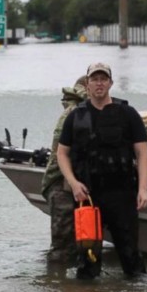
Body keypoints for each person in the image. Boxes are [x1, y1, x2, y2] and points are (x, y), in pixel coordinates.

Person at [57, 62, 147, 279]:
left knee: (131, 258)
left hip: (122, 194)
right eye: (94, 79)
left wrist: (143, 189)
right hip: (87, 196)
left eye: (103, 79)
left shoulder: (128, 114)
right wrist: (73, 183)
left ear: (110, 83)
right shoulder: (75, 116)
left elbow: (142, 153)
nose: (99, 83)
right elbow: (62, 154)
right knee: (88, 258)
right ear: (87, 84)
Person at [41, 76, 87, 264]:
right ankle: (57, 286)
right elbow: (63, 154)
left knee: (82, 243)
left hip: (76, 184)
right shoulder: (73, 114)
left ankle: (69, 288)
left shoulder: (81, 112)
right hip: (61, 185)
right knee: (63, 247)